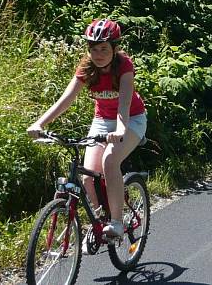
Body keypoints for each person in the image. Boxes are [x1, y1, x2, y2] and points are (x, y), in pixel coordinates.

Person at [27, 18, 147, 239]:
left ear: (114, 48)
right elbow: (66, 99)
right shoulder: (87, 68)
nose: (98, 54)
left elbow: (124, 105)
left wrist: (120, 130)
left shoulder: (124, 67)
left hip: (131, 120)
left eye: (103, 48)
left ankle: (117, 223)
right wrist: (40, 123)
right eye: (93, 49)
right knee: (87, 176)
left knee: (110, 162)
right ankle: (99, 220)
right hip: (102, 120)